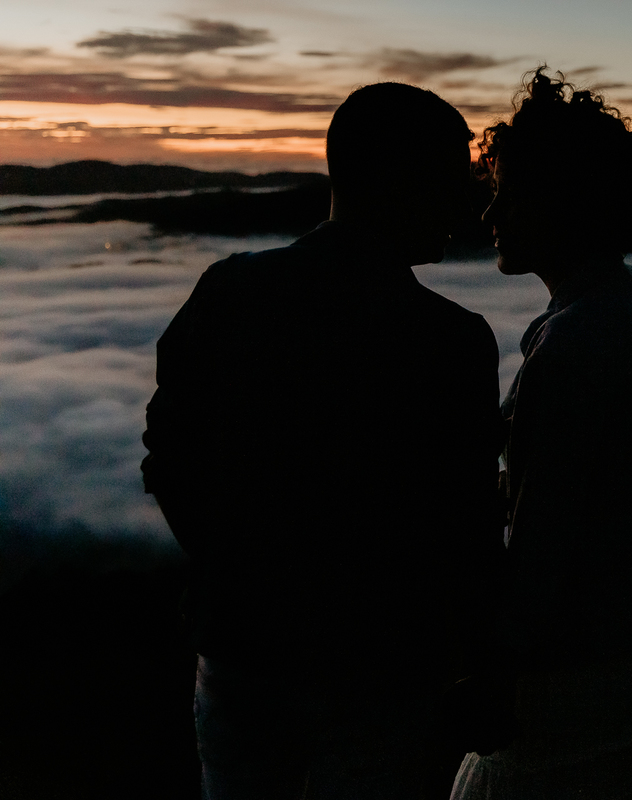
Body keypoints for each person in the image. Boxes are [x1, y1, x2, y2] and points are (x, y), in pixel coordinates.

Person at [141, 82, 504, 800]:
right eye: (446, 183)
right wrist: (482, 663)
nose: (463, 208)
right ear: (394, 181)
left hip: (240, 652)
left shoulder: (230, 292)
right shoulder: (450, 341)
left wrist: (233, 573)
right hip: (380, 672)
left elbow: (169, 455)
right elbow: (466, 528)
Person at [451, 69, 632, 800]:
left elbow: (544, 543)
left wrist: (497, 673)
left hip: (591, 669)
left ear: (561, 204)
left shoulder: (573, 346)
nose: (490, 212)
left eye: (508, 194)